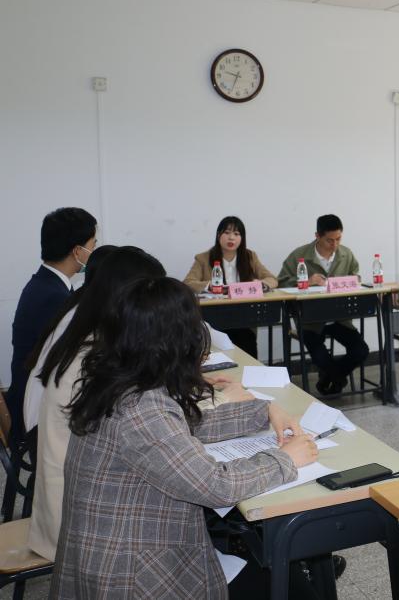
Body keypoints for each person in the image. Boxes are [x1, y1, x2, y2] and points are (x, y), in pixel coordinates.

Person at [51, 277, 317, 599]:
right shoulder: (141, 409)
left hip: (114, 552)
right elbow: (216, 486)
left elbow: (182, 427)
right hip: (131, 574)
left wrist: (263, 411)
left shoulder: (119, 381)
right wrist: (286, 459)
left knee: (273, 565)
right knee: (292, 587)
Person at [23, 247, 168, 561]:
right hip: (79, 521)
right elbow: (142, 426)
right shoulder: (93, 354)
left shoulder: (88, 328)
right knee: (183, 504)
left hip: (68, 493)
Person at [6, 206, 96, 441]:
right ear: (77, 251)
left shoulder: (45, 284)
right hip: (35, 414)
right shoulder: (53, 297)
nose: (94, 251)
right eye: (93, 244)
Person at [277, 214, 368, 397]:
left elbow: (356, 276)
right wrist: (307, 281)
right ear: (317, 236)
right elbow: (281, 282)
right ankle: (337, 379)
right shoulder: (300, 255)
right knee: (320, 357)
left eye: (338, 239)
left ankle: (329, 379)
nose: (335, 244)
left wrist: (352, 280)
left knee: (361, 351)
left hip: (339, 318)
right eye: (329, 240)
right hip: (310, 320)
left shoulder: (346, 254)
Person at [184, 216, 279, 356]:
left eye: (236, 234)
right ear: (218, 235)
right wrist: (209, 286)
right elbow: (188, 282)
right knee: (220, 350)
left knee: (247, 344)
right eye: (227, 233)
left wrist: (261, 284)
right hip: (214, 316)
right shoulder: (203, 258)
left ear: (242, 238)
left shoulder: (250, 256)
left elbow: (272, 279)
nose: (231, 238)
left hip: (244, 316)